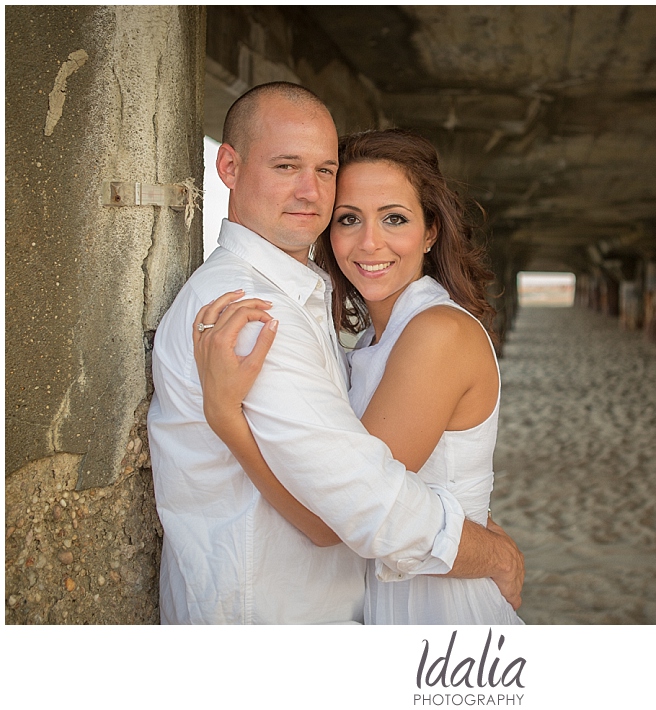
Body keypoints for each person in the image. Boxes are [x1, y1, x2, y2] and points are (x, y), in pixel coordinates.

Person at [147, 82, 523, 624]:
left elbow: (350, 505)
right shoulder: (250, 310)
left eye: (324, 170)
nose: (310, 193)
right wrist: (494, 554)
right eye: (286, 166)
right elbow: (359, 505)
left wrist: (227, 418)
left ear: (430, 230)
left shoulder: (396, 324)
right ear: (227, 166)